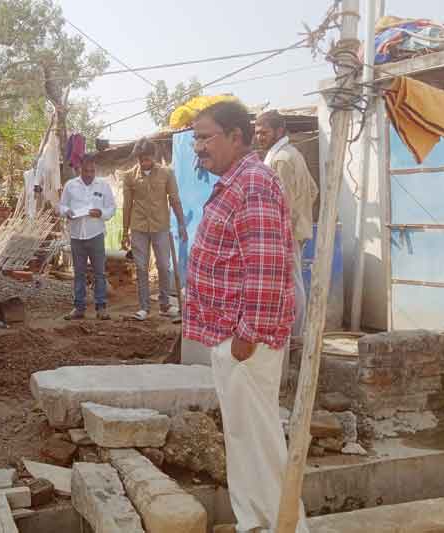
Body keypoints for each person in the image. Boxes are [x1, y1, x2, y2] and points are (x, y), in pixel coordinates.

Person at [183, 99, 308, 533]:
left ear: (236, 137)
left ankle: (284, 526)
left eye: (205, 137)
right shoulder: (237, 181)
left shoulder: (253, 182)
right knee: (243, 437)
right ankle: (254, 522)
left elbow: (267, 265)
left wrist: (248, 334)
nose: (198, 147)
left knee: (260, 442)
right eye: (195, 139)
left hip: (245, 339)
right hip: (232, 333)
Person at [255, 110, 319, 339]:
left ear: (279, 131)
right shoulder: (292, 153)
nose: (259, 137)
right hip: (294, 229)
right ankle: (294, 333)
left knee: (291, 284)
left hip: (284, 232)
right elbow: (312, 190)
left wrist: (287, 226)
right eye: (257, 133)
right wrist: (302, 215)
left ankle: (294, 335)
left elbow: (282, 204)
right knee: (293, 281)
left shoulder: (280, 159)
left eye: (264, 132)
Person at [121, 138, 187, 321]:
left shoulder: (167, 173)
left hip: (160, 227)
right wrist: (125, 231)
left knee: (164, 266)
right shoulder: (129, 176)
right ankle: (144, 307)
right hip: (138, 227)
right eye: (141, 159)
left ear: (154, 156)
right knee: (141, 267)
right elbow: (127, 205)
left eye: (147, 158)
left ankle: (165, 305)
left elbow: (174, 199)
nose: (144, 162)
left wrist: (182, 224)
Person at [57, 154, 116, 320]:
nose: (89, 174)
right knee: (79, 273)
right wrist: (66, 211)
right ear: (79, 169)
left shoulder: (103, 185)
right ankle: (79, 308)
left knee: (99, 273)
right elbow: (61, 205)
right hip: (76, 235)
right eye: (86, 171)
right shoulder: (70, 186)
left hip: (96, 234)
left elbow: (112, 208)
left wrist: (101, 213)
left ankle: (101, 307)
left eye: (92, 171)